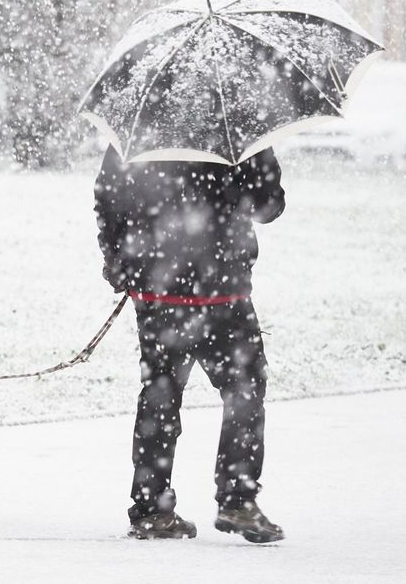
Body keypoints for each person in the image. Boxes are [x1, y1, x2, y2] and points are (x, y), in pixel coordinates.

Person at [94, 145, 286, 544]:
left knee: (159, 397)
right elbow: (269, 205)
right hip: (223, 291)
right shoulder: (238, 127)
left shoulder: (141, 127)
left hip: (158, 290)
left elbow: (109, 196)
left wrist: (117, 256)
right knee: (245, 392)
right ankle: (237, 498)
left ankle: (150, 510)